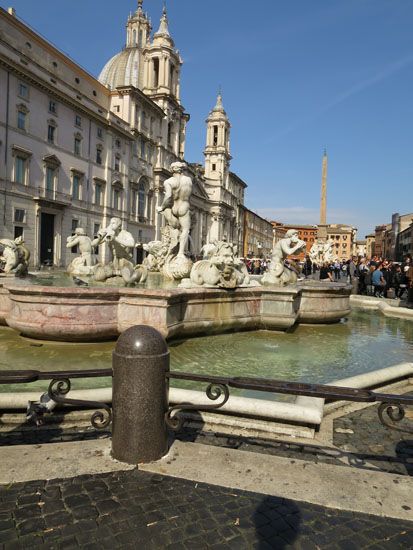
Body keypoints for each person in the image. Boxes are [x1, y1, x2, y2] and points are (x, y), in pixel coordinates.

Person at [157, 162, 192, 258]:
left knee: (174, 228)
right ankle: (180, 253)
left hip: (174, 207)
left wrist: (162, 207)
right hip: (184, 206)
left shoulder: (168, 181)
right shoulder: (188, 180)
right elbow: (189, 195)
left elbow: (168, 196)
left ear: (172, 169)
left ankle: (170, 249)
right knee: (185, 229)